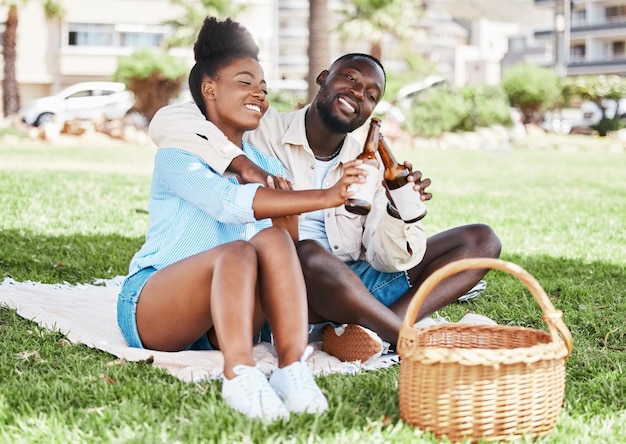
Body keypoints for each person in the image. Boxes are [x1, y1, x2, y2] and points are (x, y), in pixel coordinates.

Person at [148, 51, 502, 362]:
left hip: (353, 284)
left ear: (371, 112)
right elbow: (172, 120)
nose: (357, 93)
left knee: (480, 241)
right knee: (308, 252)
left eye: (370, 94)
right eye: (349, 78)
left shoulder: (372, 163)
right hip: (295, 278)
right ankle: (401, 334)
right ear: (323, 78)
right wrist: (242, 164)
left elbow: (387, 260)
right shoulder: (263, 128)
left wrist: (396, 209)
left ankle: (377, 332)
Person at [117, 17, 369, 423]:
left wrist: (286, 211)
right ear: (209, 89)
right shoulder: (178, 156)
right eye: (245, 82)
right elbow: (227, 203)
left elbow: (282, 246)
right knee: (234, 251)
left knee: (271, 244)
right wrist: (325, 196)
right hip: (155, 307)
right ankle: (239, 373)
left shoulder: (267, 165)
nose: (260, 94)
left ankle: (292, 368)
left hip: (225, 319)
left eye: (264, 87)